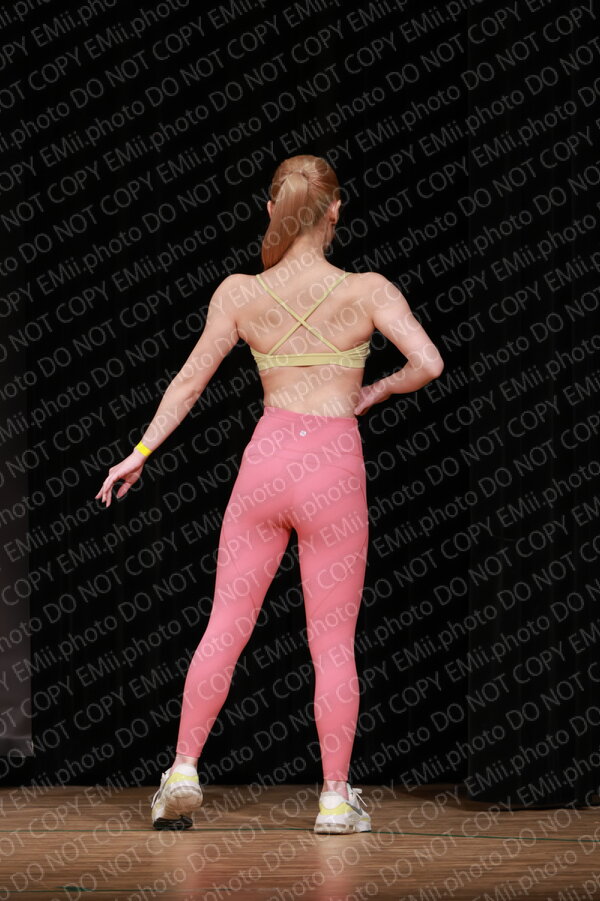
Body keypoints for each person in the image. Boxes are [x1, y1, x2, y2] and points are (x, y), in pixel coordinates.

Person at [96, 154, 444, 833]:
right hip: (333, 469)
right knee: (332, 643)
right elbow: (428, 362)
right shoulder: (368, 289)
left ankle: (182, 771)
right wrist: (376, 389)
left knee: (225, 623)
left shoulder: (238, 293)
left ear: (272, 210)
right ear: (336, 209)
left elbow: (188, 383)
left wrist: (138, 454)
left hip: (265, 467)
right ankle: (335, 798)